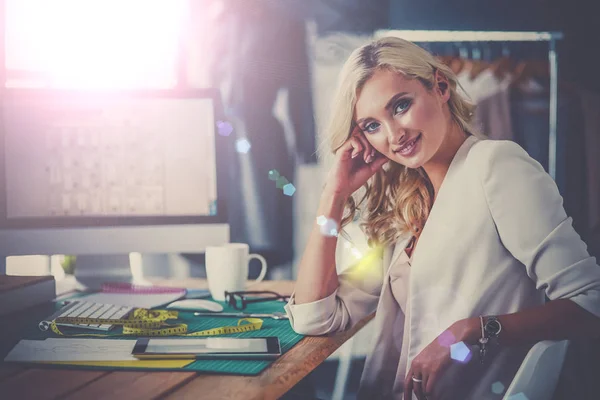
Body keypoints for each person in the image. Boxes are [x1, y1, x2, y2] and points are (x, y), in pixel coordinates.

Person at [284, 36, 600, 400]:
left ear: (440, 86)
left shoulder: (496, 166)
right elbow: (314, 318)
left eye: (401, 105)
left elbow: (590, 303)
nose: (394, 135)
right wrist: (334, 195)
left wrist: (471, 331)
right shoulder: (408, 207)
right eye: (371, 126)